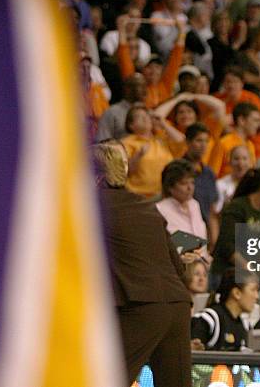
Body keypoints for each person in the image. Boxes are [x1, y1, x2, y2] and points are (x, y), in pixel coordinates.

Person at [94, 140, 191, 387]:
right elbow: (179, 268)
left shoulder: (91, 206)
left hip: (139, 306)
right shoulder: (146, 206)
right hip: (178, 305)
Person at [210, 166, 260, 289]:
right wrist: (249, 269)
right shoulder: (237, 207)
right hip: (227, 275)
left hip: (251, 280)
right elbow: (227, 245)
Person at [117, 14, 186, 109]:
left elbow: (176, 59)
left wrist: (182, 32)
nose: (154, 71)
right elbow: (124, 59)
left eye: (157, 67)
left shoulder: (165, 85)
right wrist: (121, 29)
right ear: (142, 70)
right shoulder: (135, 86)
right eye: (149, 67)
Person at [121, 103, 182, 197]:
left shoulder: (161, 138)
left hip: (165, 194)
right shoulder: (126, 143)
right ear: (131, 125)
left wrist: (162, 122)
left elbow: (181, 141)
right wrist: (138, 155)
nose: (145, 119)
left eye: (147, 116)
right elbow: (124, 171)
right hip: (139, 196)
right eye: (140, 117)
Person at [191, 268, 259, 351]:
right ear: (237, 293)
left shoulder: (246, 325)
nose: (256, 296)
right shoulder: (208, 319)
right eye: (253, 290)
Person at [156, 159, 210, 264]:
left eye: (192, 182)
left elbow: (201, 244)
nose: (190, 188)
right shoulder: (160, 209)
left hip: (201, 269)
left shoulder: (195, 205)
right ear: (170, 187)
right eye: (184, 183)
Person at [183, 123, 220, 242]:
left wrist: (214, 240)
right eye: (199, 140)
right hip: (184, 232)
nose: (203, 145)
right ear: (188, 142)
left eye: (206, 141)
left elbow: (212, 210)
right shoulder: (177, 170)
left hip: (206, 233)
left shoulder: (209, 173)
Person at [208, 102, 260, 178]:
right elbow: (212, 175)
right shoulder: (224, 143)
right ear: (242, 120)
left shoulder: (250, 145)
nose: (258, 125)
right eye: (255, 120)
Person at [96, 73, 147, 141]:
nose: (144, 90)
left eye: (144, 86)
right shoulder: (112, 112)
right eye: (138, 85)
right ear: (127, 88)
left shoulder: (149, 113)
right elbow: (102, 142)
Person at [214, 145, 253, 214]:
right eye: (236, 159)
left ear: (250, 162)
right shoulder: (220, 185)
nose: (240, 163)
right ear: (229, 162)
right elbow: (217, 211)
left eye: (244, 158)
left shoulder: (256, 185)